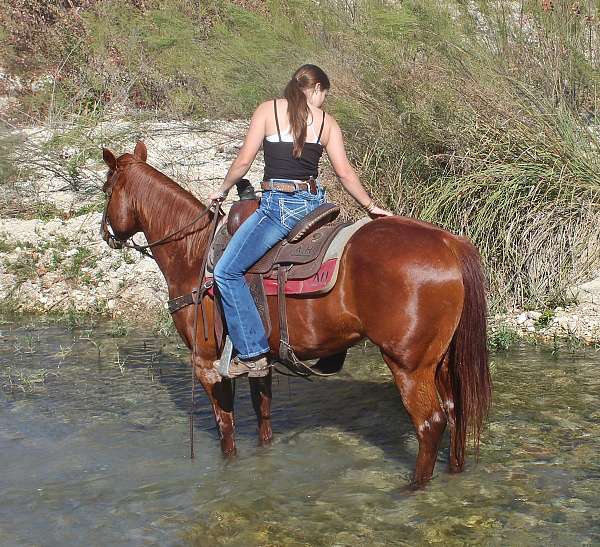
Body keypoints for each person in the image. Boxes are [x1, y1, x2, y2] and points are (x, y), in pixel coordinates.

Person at [209, 64, 392, 378]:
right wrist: (371, 207)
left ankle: (252, 352)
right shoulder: (327, 123)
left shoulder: (268, 110)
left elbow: (243, 161)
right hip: (315, 206)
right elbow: (345, 173)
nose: (323, 102)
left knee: (226, 271)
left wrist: (222, 191)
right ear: (318, 88)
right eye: (324, 96)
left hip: (278, 208)